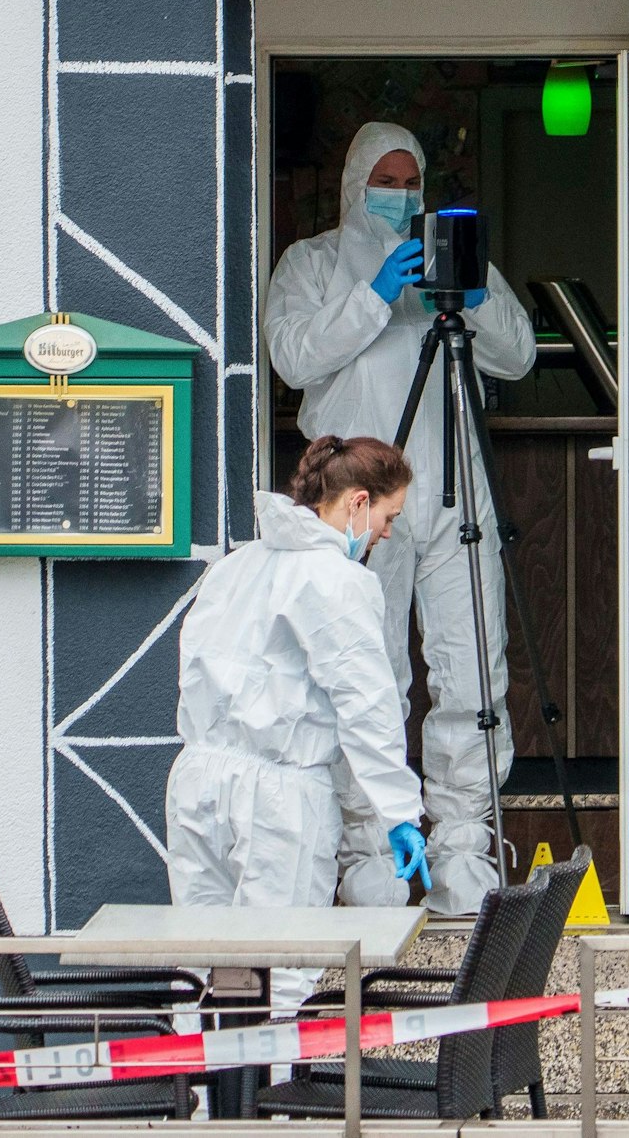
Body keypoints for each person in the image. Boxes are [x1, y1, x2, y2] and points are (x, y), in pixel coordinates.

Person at [264, 120, 538, 915]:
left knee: (472, 671)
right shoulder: (311, 263)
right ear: (354, 183)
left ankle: (466, 853)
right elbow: (292, 356)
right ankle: (371, 856)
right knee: (366, 672)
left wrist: (474, 295)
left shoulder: (454, 260)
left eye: (411, 180)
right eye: (385, 179)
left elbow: (517, 357)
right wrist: (375, 294)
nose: (400, 194)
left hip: (454, 493)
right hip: (357, 498)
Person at [164, 434, 430, 1007]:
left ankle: (203, 1099)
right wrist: (400, 810)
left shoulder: (238, 566)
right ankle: (262, 1098)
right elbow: (367, 705)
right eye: (388, 516)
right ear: (358, 502)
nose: (386, 533)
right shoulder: (339, 581)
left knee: (199, 968)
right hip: (278, 796)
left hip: (196, 780)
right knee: (280, 973)